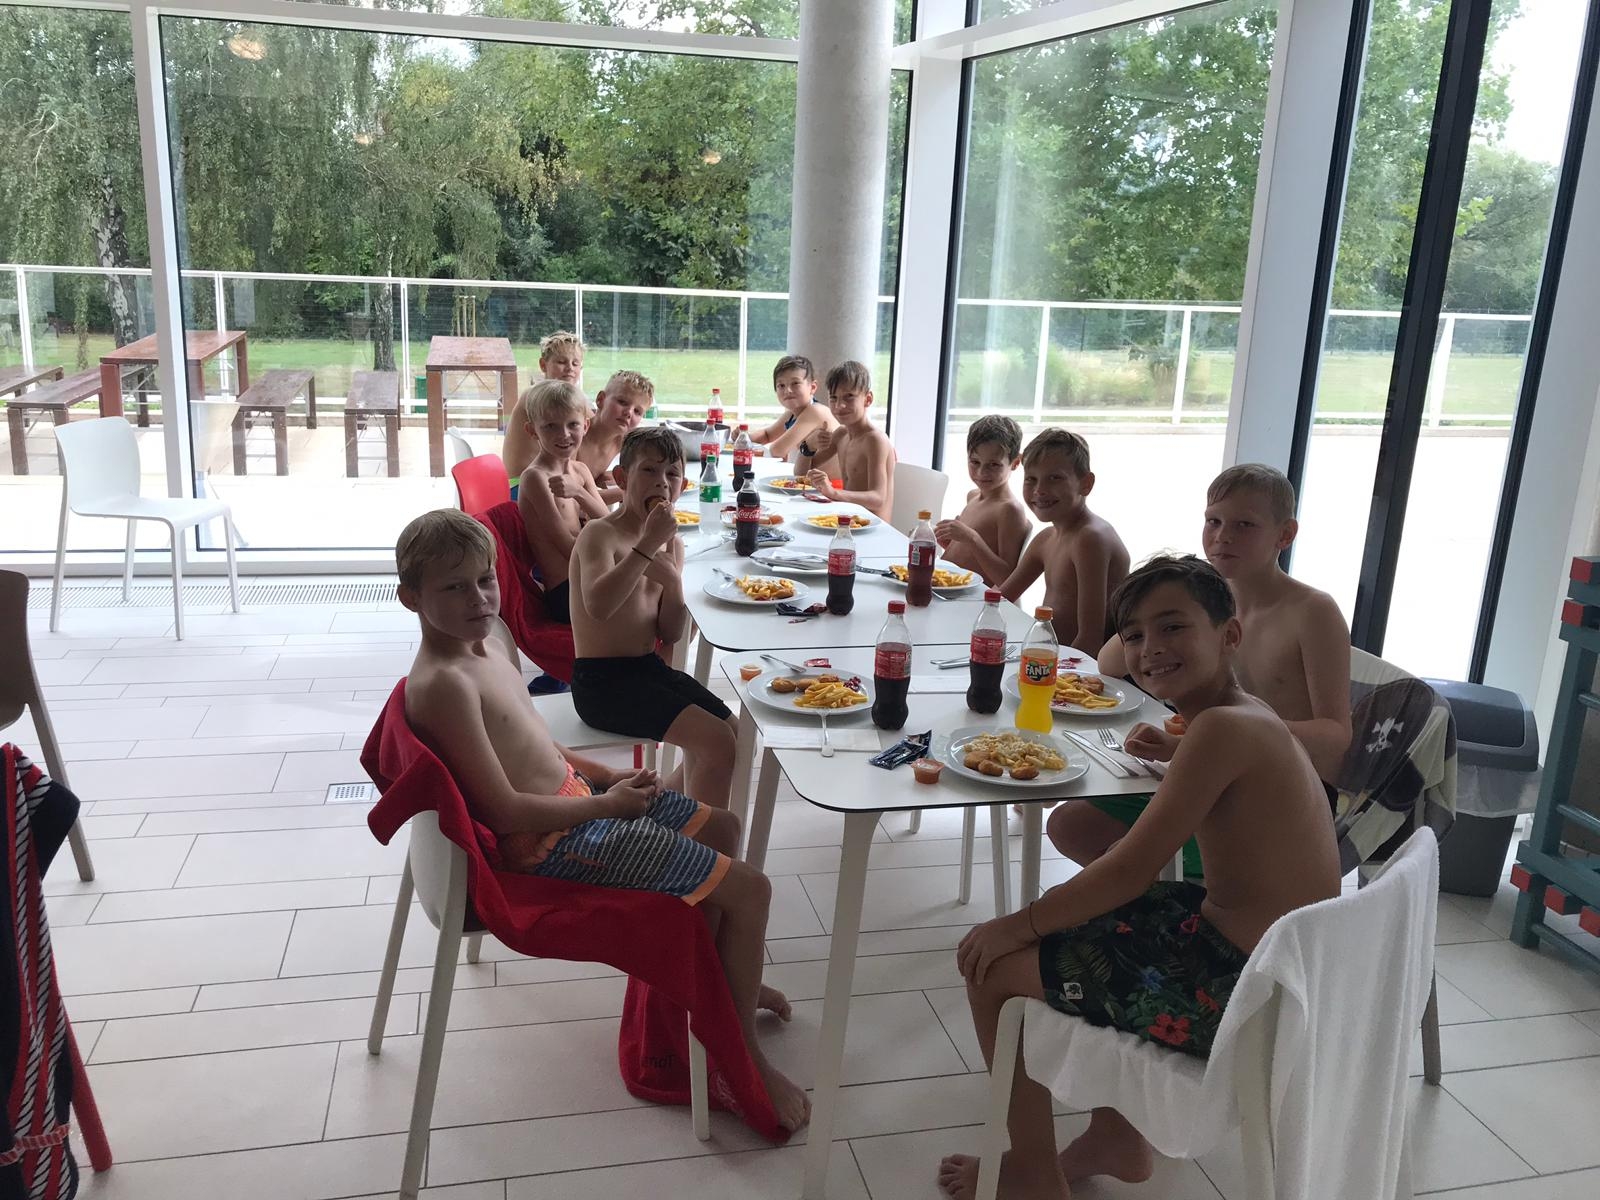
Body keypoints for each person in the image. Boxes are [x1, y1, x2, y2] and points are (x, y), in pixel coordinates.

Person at [936, 556, 1341, 1199]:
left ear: (1229, 634)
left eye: (1173, 627)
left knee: (993, 966)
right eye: (1134, 635)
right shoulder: (1242, 715)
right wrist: (1178, 748)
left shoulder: (1220, 729)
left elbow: (1129, 868)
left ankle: (1036, 1175)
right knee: (1081, 909)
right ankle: (1116, 1139)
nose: (1151, 647)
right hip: (1281, 966)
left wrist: (1014, 925)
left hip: (1238, 988)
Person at [394, 509, 809, 1132]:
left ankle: (723, 997)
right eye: (453, 587)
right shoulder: (443, 685)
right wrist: (605, 806)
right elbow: (503, 810)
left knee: (722, 827)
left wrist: (604, 777)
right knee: (752, 891)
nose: (478, 597)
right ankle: (739, 1056)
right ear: (411, 598)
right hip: (553, 841)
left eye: (485, 579)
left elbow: (533, 743)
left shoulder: (489, 641)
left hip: (579, 802)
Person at [1060, 465, 1355, 874]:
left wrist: (1205, 740)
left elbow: (1336, 735)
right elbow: (1111, 662)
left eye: (1244, 525)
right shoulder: (1207, 600)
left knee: (1125, 857)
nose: (1222, 536)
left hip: (1280, 791)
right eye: (1213, 521)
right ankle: (1160, 896)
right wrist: (1163, 609)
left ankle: (1186, 896)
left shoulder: (1312, 612)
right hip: (1211, 763)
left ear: (1285, 535)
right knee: (1071, 825)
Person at [568, 426, 742, 811]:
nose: (662, 482)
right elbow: (599, 606)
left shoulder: (672, 544)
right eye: (649, 470)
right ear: (622, 478)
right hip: (601, 684)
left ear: (683, 486)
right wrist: (647, 545)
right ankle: (703, 838)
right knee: (715, 741)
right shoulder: (600, 534)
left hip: (648, 670)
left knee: (734, 732)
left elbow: (672, 632)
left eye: (672, 474)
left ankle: (666, 810)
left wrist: (674, 583)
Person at [998, 429, 1129, 650]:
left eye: (1055, 478)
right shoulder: (1046, 539)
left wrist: (1054, 670)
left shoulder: (1090, 539)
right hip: (1048, 655)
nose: (1040, 490)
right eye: (1031, 479)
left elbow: (1090, 639)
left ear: (1086, 484)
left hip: (1079, 664)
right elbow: (999, 600)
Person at [515, 380, 608, 625]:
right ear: (532, 431)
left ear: (585, 426)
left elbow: (608, 522)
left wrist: (579, 492)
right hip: (565, 592)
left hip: (587, 578)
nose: (564, 434)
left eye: (572, 424)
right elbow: (568, 548)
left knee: (662, 585)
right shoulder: (535, 478)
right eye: (550, 426)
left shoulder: (580, 470)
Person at [795, 360, 897, 522]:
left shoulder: (875, 440)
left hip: (874, 528)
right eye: (833, 398)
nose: (839, 405)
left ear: (868, 399)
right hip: (848, 521)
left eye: (849, 397)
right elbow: (800, 474)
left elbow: (878, 499)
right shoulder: (841, 434)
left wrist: (833, 493)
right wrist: (808, 445)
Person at [936, 415, 1031, 585]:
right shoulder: (973, 496)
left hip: (971, 597)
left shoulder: (1009, 510)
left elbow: (1006, 580)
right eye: (975, 462)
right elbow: (975, 557)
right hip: (947, 588)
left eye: (993, 464)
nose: (981, 472)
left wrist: (971, 538)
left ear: (1015, 463)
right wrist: (951, 543)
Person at [501, 331, 585, 489]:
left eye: (575, 364)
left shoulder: (563, 399)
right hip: (521, 485)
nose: (569, 368)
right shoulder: (538, 396)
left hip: (541, 482)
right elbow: (597, 426)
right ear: (543, 365)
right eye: (561, 362)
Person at [569, 369, 653, 507]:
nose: (629, 413)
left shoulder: (621, 440)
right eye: (622, 402)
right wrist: (631, 490)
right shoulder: (573, 435)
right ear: (600, 400)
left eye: (637, 411)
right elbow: (572, 497)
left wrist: (604, 477)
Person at [750, 354, 835, 462]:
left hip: (830, 474)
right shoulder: (791, 414)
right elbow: (767, 435)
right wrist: (743, 437)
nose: (788, 390)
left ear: (812, 387)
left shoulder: (816, 411)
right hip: (807, 472)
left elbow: (777, 450)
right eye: (781, 385)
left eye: (795, 383)